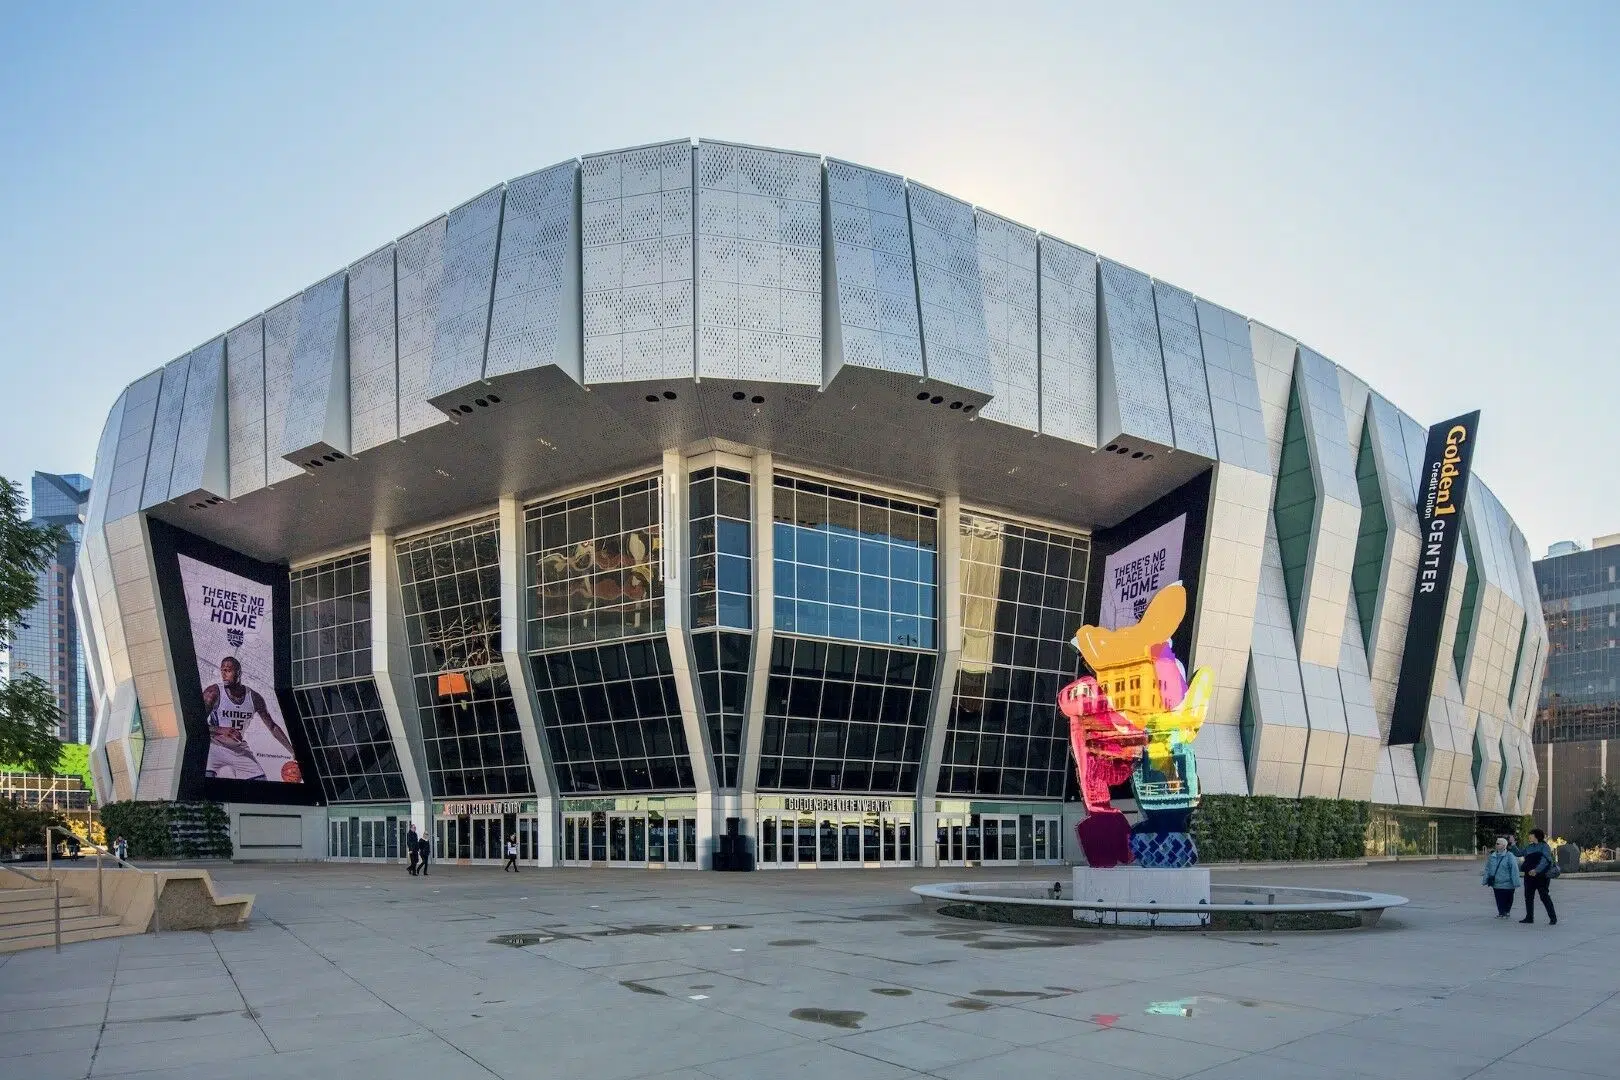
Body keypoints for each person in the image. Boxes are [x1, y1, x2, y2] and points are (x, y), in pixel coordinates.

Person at [202, 657, 296, 781]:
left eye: (228, 670)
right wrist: (221, 730)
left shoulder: (254, 697)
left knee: (262, 787)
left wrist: (293, 750)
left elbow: (272, 727)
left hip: (238, 748)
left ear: (239, 673)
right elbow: (196, 724)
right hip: (213, 747)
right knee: (204, 785)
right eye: (222, 670)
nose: (224, 674)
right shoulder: (212, 692)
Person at [1519, 828, 1558, 925]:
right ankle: (1529, 917)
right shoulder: (1529, 847)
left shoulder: (1544, 847)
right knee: (1528, 897)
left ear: (1536, 836)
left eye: (1531, 835)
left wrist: (1536, 870)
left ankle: (1553, 918)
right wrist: (1512, 844)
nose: (1529, 836)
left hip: (1541, 876)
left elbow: (1546, 860)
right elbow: (1519, 853)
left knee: (1544, 896)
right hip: (1529, 876)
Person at [1482, 836, 1522, 918]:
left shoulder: (1510, 856)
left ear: (1504, 846)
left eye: (1498, 844)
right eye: (1496, 843)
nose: (1496, 845)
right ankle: (1501, 912)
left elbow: (1514, 869)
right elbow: (1487, 868)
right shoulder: (1492, 856)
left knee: (1508, 899)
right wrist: (1485, 880)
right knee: (1499, 899)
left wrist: (1516, 882)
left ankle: (1507, 912)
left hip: (1508, 883)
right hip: (1496, 882)